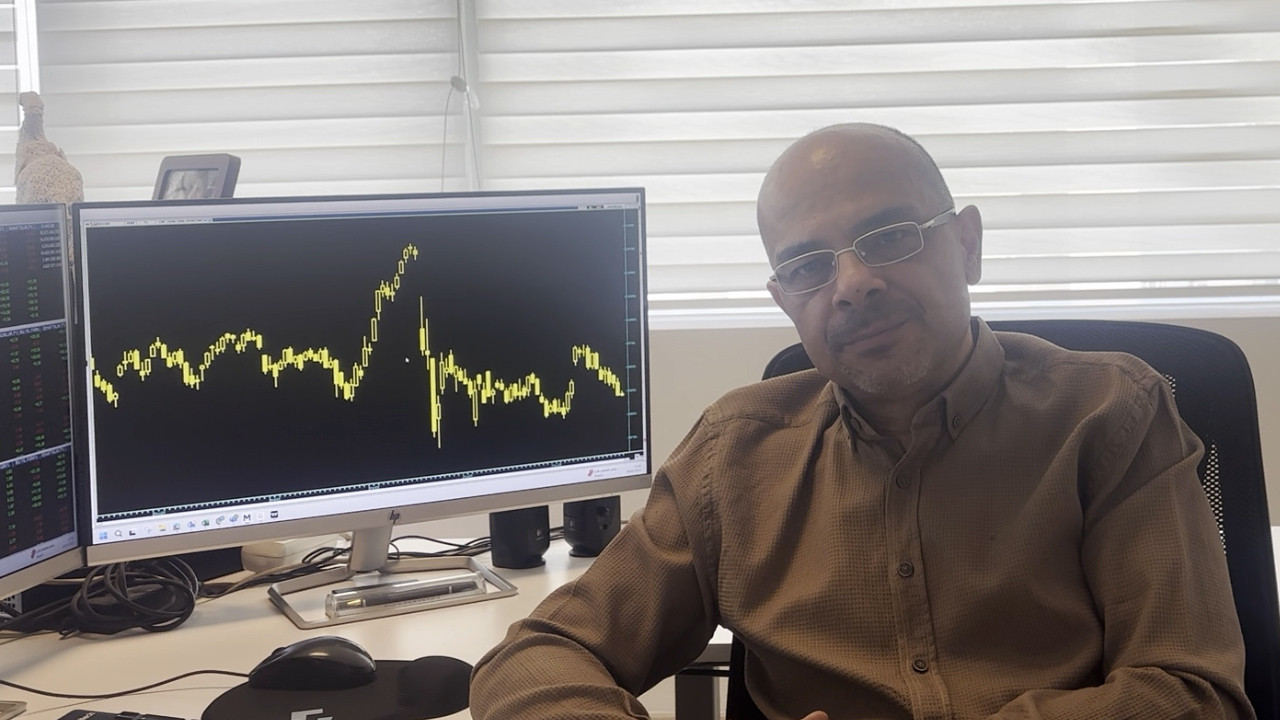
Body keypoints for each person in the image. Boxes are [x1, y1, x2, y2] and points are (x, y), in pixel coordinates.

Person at [469, 124, 1253, 719]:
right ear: (786, 300)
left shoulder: (1112, 414)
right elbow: (536, 657)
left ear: (967, 245)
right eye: (809, 266)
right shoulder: (732, 456)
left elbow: (1191, 693)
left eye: (890, 238)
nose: (852, 284)